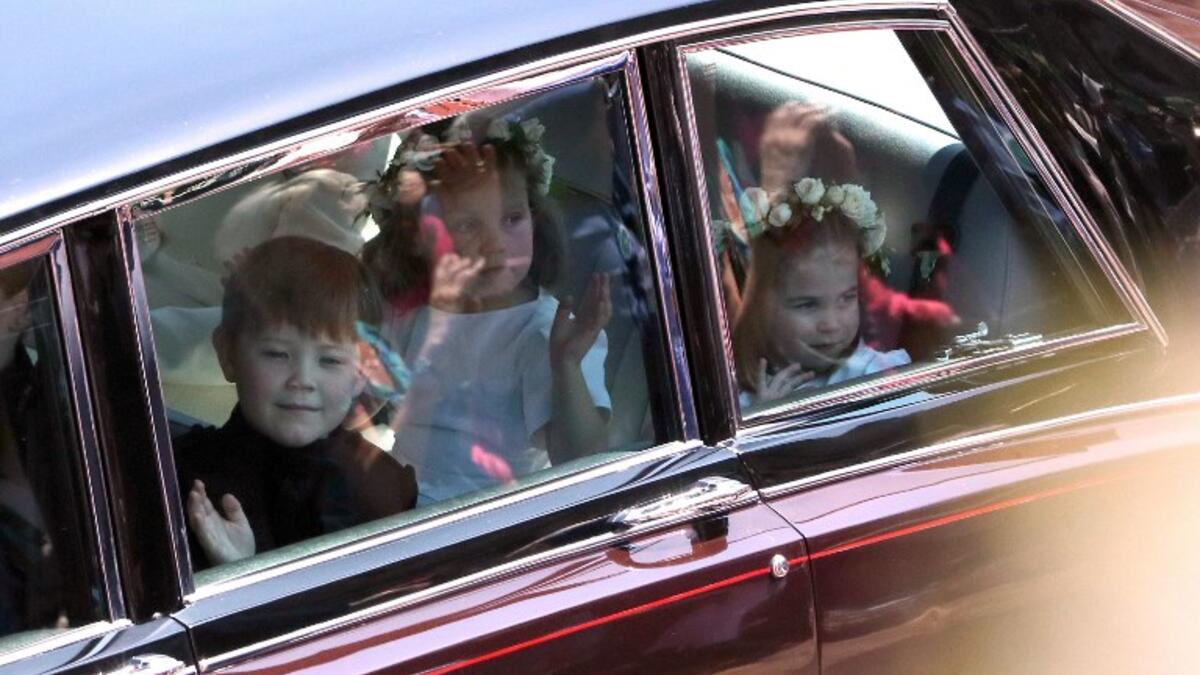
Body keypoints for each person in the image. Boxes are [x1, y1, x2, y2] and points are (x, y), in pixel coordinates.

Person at [366, 114, 611, 504]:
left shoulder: (544, 330)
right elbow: (360, 401)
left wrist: (565, 365)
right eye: (467, 224)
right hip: (401, 505)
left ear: (535, 216)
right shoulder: (409, 313)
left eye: (511, 218)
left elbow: (579, 457)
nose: (494, 245)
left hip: (497, 519)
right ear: (418, 237)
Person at [175, 236, 416, 568]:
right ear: (228, 354)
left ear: (363, 370)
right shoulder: (182, 481)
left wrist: (249, 568)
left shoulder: (384, 489)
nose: (302, 380)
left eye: (330, 360)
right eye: (277, 354)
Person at [731, 178, 911, 406]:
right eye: (808, 305)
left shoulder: (873, 375)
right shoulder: (744, 399)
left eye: (847, 298)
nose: (832, 324)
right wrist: (764, 413)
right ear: (762, 309)